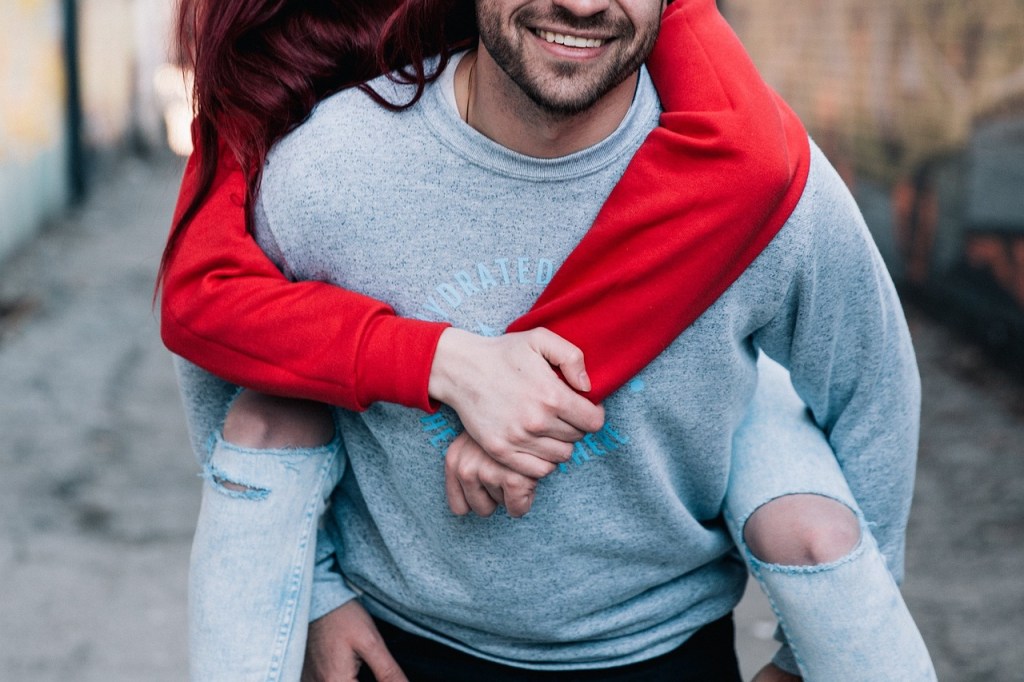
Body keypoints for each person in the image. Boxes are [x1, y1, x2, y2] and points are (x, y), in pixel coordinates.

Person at [163, 1, 936, 680]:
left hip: (665, 650)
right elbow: (223, 362)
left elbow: (874, 389)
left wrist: (812, 658)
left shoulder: (771, 182)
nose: (581, 2)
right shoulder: (332, 166)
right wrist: (319, 595)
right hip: (399, 642)